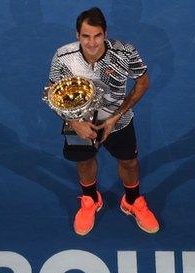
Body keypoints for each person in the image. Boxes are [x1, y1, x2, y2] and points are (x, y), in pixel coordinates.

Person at [46, 7, 159, 235]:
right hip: (79, 122)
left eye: (97, 36)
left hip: (118, 120)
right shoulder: (62, 57)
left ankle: (132, 200)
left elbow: (143, 82)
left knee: (129, 163)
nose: (92, 43)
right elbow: (53, 93)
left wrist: (117, 115)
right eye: (86, 36)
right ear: (78, 35)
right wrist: (75, 122)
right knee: (85, 162)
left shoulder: (124, 52)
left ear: (105, 34)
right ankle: (90, 199)